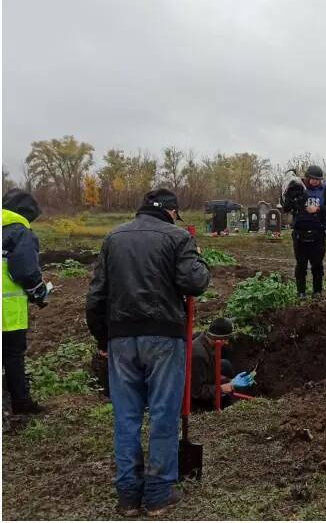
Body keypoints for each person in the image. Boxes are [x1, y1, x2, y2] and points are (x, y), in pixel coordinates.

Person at [86, 189, 210, 517]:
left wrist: (104, 339)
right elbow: (194, 283)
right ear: (171, 212)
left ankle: (128, 494)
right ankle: (157, 493)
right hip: (164, 338)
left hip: (121, 338)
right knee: (162, 414)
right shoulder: (178, 237)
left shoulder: (113, 237)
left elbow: (96, 296)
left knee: (126, 418)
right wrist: (198, 258)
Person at [2, 189, 50, 415]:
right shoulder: (20, 232)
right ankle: (20, 403)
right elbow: (25, 271)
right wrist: (40, 293)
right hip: (8, 313)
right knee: (12, 355)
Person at [282, 165, 326, 298]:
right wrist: (292, 200)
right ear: (307, 178)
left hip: (318, 231)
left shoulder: (324, 190)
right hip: (300, 231)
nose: (316, 182)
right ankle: (301, 292)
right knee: (301, 264)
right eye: (313, 179)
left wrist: (317, 209)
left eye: (318, 180)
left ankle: (317, 291)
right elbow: (286, 208)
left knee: (317, 264)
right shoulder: (297, 187)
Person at [191, 317, 235, 411]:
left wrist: (231, 381)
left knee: (226, 366)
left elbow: (210, 372)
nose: (227, 343)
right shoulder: (198, 356)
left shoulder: (208, 342)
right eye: (225, 339)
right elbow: (196, 392)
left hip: (204, 384)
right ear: (218, 338)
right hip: (194, 402)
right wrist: (221, 389)